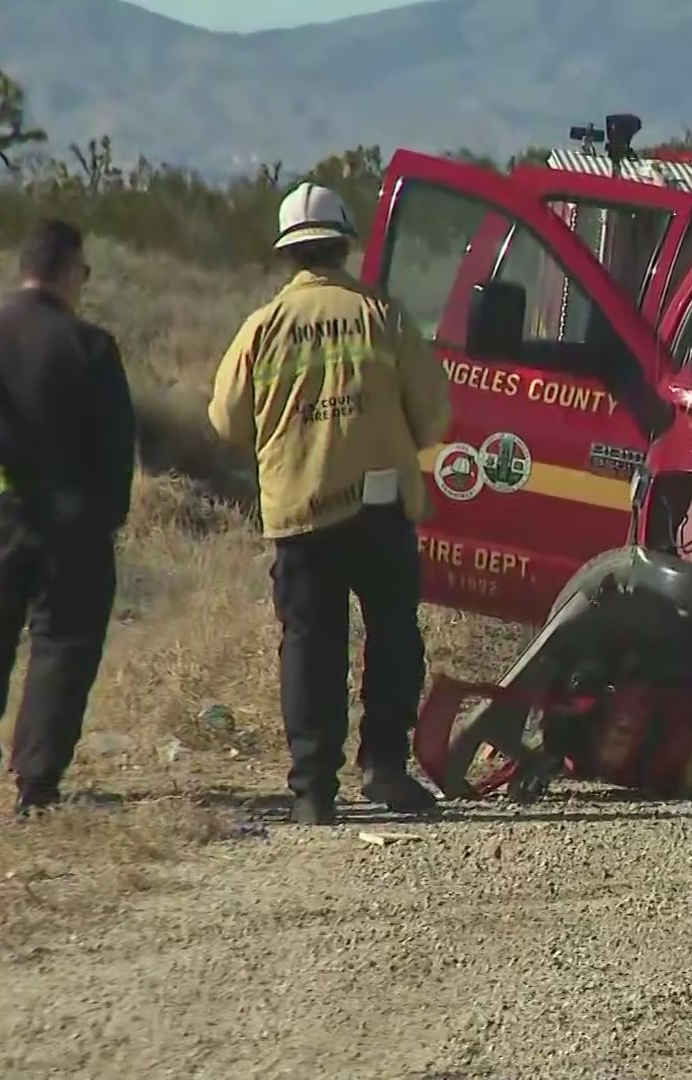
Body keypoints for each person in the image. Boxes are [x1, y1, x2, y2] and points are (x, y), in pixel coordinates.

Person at [208, 182, 452, 825]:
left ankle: (314, 791)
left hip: (299, 508)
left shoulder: (262, 327)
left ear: (289, 254)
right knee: (393, 638)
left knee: (310, 645)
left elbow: (226, 420)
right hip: (379, 507)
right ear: (344, 243)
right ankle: (385, 769)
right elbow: (434, 413)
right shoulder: (384, 316)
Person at [0, 220, 136, 815]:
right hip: (73, 525)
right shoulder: (89, 346)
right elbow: (115, 446)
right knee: (63, 649)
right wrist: (105, 515)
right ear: (69, 269)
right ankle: (37, 782)